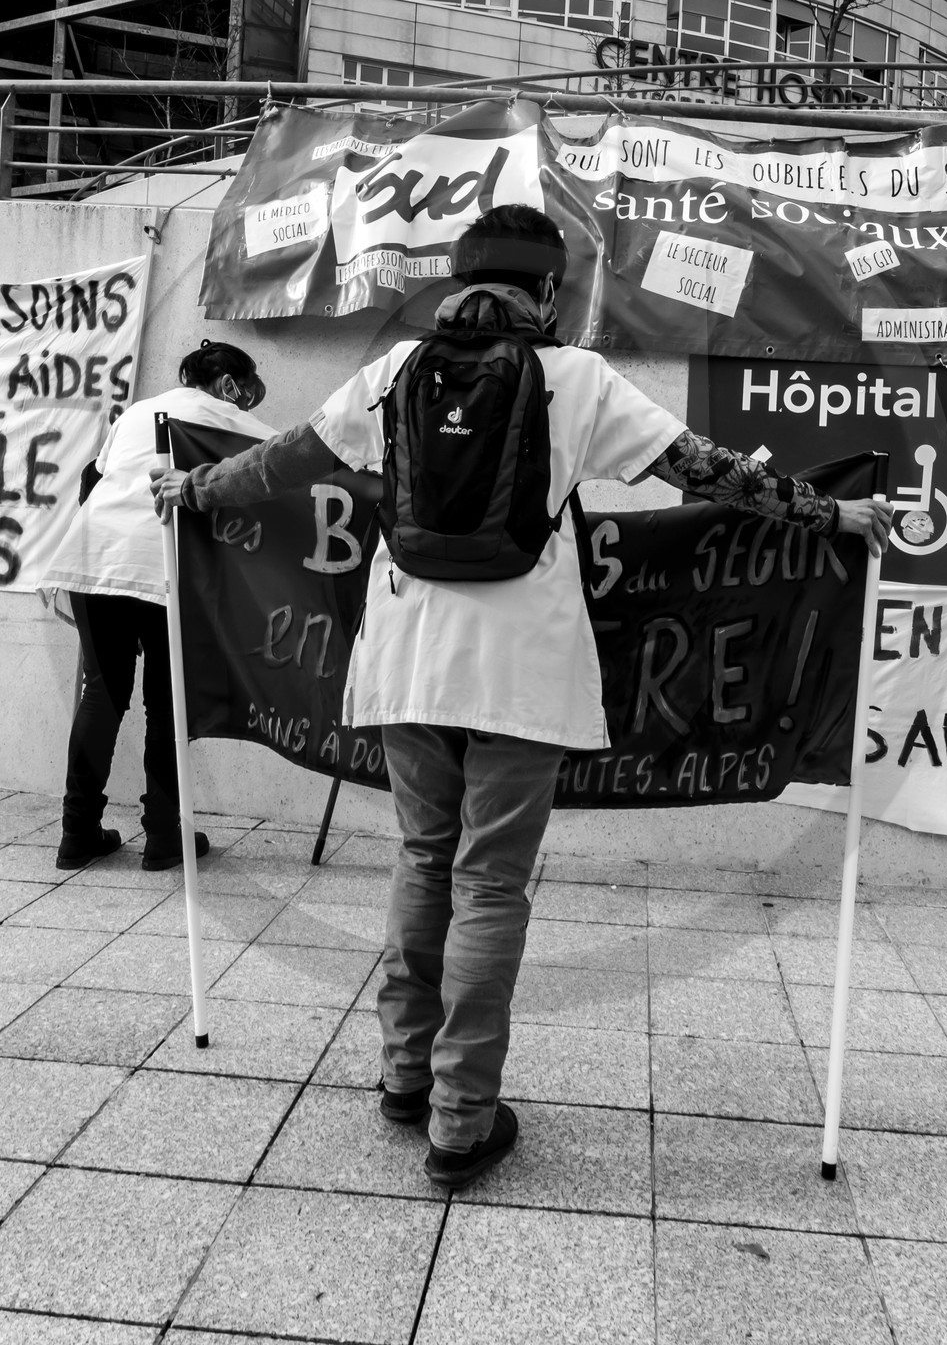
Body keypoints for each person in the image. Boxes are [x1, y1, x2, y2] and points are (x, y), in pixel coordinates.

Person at [150, 207, 891, 1188]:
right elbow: (706, 475)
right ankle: (462, 1117)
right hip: (523, 674)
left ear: (458, 283)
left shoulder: (397, 370)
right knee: (489, 882)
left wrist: (193, 495)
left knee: (422, 857)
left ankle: (403, 1075)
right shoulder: (574, 379)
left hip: (406, 660)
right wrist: (833, 511)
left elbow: (288, 459)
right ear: (546, 291)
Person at [41, 341, 276, 872]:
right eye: (248, 384)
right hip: (168, 570)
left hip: (96, 557)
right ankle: (163, 837)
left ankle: (76, 833)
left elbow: (95, 478)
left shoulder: (139, 412)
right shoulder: (233, 423)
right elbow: (281, 475)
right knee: (168, 704)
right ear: (228, 384)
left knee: (101, 695)